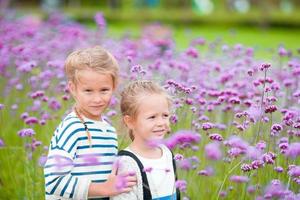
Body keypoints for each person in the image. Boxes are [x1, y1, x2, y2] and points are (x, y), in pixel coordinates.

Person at [44, 46, 136, 200]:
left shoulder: (109, 130)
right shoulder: (72, 128)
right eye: (88, 91)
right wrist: (104, 189)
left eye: (104, 90)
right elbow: (53, 182)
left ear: (114, 86)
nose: (97, 99)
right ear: (73, 89)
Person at [112, 80, 180, 200]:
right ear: (130, 121)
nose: (161, 123)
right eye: (152, 117)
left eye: (165, 115)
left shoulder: (167, 153)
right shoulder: (127, 163)